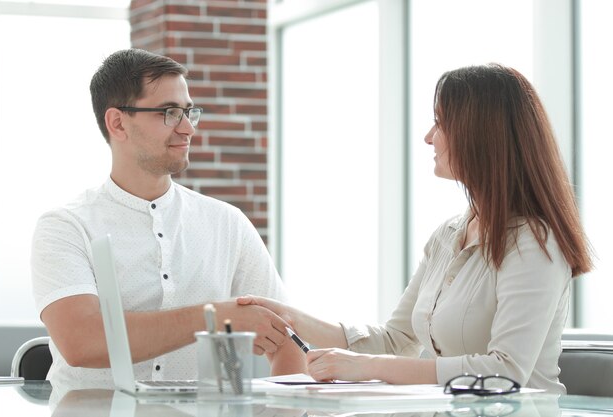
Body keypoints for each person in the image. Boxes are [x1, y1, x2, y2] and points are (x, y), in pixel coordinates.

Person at [238, 63, 592, 394]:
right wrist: (290, 317)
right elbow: (397, 338)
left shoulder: (534, 243)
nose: (428, 137)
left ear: (480, 135)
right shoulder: (447, 235)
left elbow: (505, 372)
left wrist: (365, 367)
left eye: (439, 123)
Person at [31, 48, 306, 383]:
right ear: (118, 123)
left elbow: (289, 339)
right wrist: (213, 318)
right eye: (169, 112)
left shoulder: (227, 224)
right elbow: (83, 341)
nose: (188, 129)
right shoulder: (65, 227)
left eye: (189, 112)